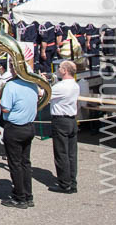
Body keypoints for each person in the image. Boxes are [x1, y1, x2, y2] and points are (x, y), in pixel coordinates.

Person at [0, 66, 39, 208]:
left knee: (15, 164)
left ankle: (19, 197)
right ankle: (28, 195)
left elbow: (5, 108)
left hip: (15, 127)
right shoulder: (33, 84)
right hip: (29, 126)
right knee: (25, 163)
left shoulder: (11, 85)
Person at [49, 60, 79, 194]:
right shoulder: (75, 85)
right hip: (71, 120)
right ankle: (72, 181)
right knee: (71, 153)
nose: (58, 69)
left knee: (61, 153)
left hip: (60, 120)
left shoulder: (61, 86)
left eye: (60, 67)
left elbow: (44, 94)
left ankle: (64, 184)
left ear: (65, 70)